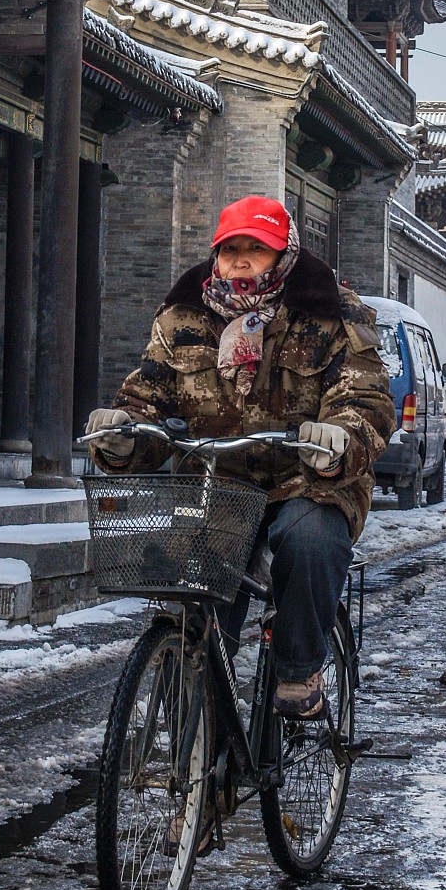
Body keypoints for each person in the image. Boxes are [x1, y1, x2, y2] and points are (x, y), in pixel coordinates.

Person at [85, 194, 394, 726]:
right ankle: (200, 741)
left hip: (308, 475)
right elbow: (147, 399)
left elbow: (366, 398)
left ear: (285, 254)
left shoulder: (332, 311)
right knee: (192, 593)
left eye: (258, 249)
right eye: (231, 250)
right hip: (216, 480)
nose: (242, 261)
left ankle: (299, 671)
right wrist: (123, 436)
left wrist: (340, 436)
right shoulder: (184, 315)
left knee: (310, 540)